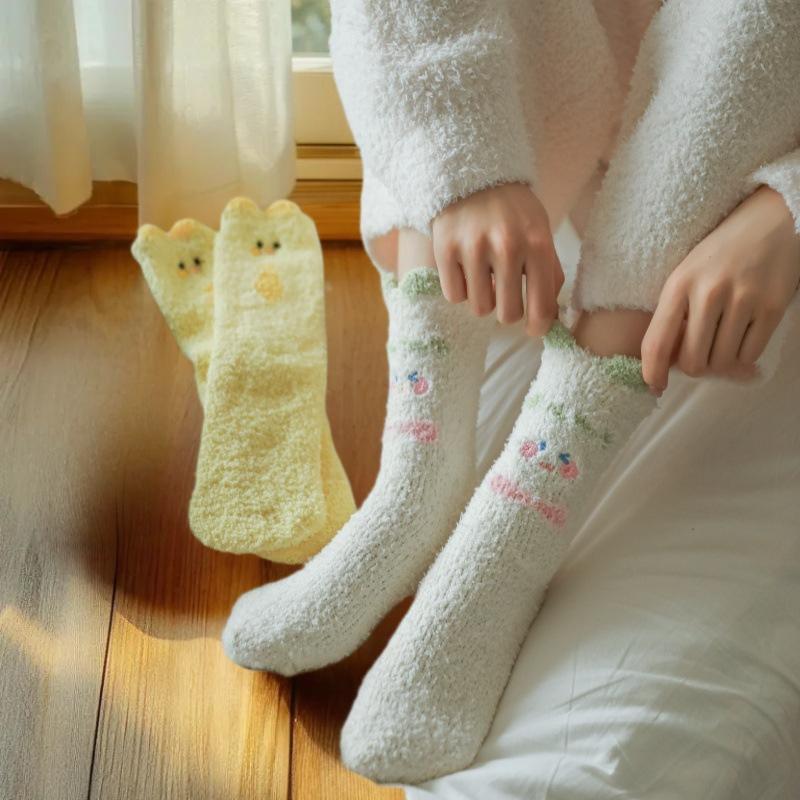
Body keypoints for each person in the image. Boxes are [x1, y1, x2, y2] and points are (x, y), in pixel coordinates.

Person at [223, 0, 800, 785]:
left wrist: (787, 210)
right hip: (557, 121)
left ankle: (511, 539)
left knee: (756, 24)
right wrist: (466, 172)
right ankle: (416, 484)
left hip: (724, 194)